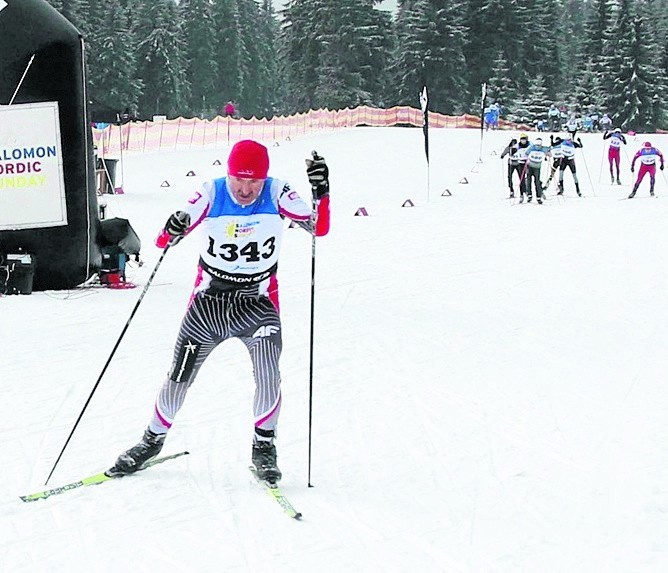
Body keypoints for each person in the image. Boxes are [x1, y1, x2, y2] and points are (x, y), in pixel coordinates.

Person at [108, 140, 331, 483]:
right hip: (209, 304)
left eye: (253, 182)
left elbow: (318, 227)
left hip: (257, 305)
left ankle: (264, 447)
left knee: (269, 371)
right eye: (238, 181)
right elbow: (164, 240)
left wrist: (321, 192)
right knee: (179, 375)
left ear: (264, 179)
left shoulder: (278, 193)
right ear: (227, 175)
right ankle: (151, 441)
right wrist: (173, 228)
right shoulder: (210, 192)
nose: (245, 189)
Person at [523, 136, 551, 204]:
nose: (538, 147)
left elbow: (549, 153)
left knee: (537, 182)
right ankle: (530, 195)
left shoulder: (543, 148)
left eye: (539, 145)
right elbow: (526, 153)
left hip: (537, 168)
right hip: (530, 166)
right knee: (529, 181)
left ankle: (538, 196)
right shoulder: (532, 147)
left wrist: (548, 153)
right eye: (537, 145)